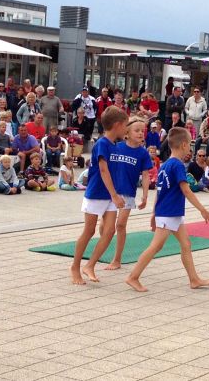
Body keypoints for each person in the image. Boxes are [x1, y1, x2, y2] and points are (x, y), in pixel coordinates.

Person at [125, 127, 209, 292]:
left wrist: (153, 213)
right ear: (184, 145)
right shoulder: (178, 165)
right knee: (155, 246)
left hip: (171, 212)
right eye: (190, 145)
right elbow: (186, 190)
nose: (191, 149)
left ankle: (194, 279)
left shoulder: (166, 165)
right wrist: (203, 210)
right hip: (169, 213)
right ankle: (133, 276)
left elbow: (160, 190)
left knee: (186, 244)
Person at [70, 106, 128, 285]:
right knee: (89, 230)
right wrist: (114, 195)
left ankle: (90, 265)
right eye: (125, 125)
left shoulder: (116, 145)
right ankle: (75, 266)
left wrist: (117, 193)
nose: (126, 129)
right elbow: (103, 170)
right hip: (97, 193)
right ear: (117, 125)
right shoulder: (102, 143)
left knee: (109, 230)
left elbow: (115, 171)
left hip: (111, 195)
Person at [101, 119, 153, 270]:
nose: (140, 133)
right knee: (105, 227)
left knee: (121, 224)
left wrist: (145, 195)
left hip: (128, 193)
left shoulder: (143, 153)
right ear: (127, 133)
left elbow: (145, 175)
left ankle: (117, 259)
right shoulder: (116, 147)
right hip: (111, 192)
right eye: (136, 130)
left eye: (142, 131)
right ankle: (103, 248)